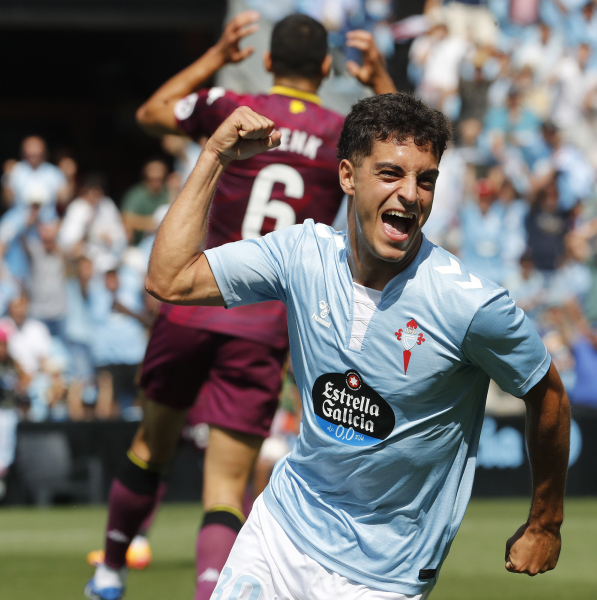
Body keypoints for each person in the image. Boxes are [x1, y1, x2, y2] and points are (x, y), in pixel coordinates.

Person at [144, 97, 569, 598]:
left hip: (383, 575)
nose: (411, 194)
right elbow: (169, 278)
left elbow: (548, 392)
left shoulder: (469, 305)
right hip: (280, 532)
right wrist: (214, 153)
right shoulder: (300, 255)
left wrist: (546, 522)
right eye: (391, 173)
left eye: (426, 179)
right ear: (347, 176)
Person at [85, 12, 396, 600]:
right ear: (327, 68)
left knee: (151, 444)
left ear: (268, 62)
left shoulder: (234, 104)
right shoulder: (341, 133)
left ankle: (109, 571)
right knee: (226, 486)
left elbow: (152, 112)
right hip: (264, 320)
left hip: (193, 298)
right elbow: (402, 156)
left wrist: (214, 57)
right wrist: (382, 79)